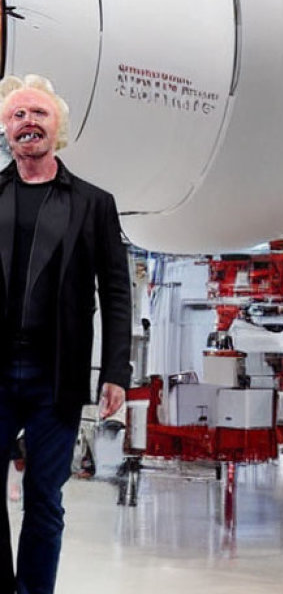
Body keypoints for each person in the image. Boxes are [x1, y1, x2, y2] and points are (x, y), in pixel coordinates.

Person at [0, 74, 132, 594]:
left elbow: (116, 293)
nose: (28, 122)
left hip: (56, 377)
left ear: (60, 128)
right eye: (17, 116)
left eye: (39, 114)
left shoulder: (93, 204)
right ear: (5, 131)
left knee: (44, 497)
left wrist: (117, 371)